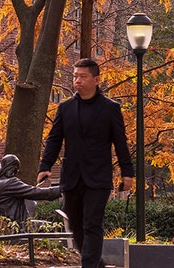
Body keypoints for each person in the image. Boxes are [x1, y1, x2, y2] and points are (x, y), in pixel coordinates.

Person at [38, 58, 135, 268]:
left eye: (82, 76)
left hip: (98, 177)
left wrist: (127, 173)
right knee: (76, 226)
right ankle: (96, 264)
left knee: (92, 224)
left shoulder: (110, 109)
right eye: (75, 76)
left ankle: (88, 266)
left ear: (96, 79)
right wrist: (45, 166)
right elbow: (54, 139)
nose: (77, 81)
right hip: (72, 176)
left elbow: (120, 142)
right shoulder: (65, 108)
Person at [0, 154, 61, 230]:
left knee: (42, 224)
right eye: (16, 169)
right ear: (13, 169)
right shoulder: (11, 183)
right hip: (15, 227)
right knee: (53, 227)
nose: (17, 172)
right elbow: (35, 192)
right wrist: (61, 190)